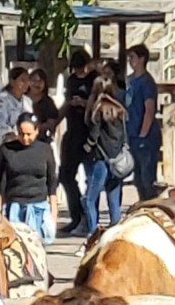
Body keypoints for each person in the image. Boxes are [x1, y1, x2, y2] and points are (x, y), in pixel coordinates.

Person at [0, 112, 57, 244]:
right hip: (14, 207)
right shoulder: (5, 150)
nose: (25, 138)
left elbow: (52, 181)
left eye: (29, 134)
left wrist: (53, 211)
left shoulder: (45, 150)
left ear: (36, 131)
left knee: (36, 249)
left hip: (38, 207)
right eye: (21, 134)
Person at [78, 76, 127, 254]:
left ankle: (92, 236)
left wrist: (86, 146)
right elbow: (123, 136)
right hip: (117, 161)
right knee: (114, 201)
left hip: (101, 160)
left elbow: (94, 135)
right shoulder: (119, 109)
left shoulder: (99, 109)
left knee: (90, 199)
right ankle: (116, 237)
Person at [56, 50, 99, 234]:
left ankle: (91, 219)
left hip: (88, 131)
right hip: (72, 131)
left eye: (82, 69)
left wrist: (84, 103)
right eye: (77, 69)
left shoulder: (95, 79)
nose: (80, 72)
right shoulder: (71, 79)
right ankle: (77, 215)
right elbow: (66, 101)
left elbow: (99, 102)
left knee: (92, 178)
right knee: (65, 175)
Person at [125, 43, 162, 201]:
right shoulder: (130, 81)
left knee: (147, 179)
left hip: (145, 136)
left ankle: (152, 206)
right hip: (132, 133)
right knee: (138, 179)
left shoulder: (147, 82)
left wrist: (143, 134)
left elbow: (149, 109)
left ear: (142, 59)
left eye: (132, 57)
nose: (130, 61)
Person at [0, 67, 34, 143]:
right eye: (22, 80)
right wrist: (14, 136)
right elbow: (0, 123)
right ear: (12, 82)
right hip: (7, 141)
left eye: (28, 80)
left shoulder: (28, 101)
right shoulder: (2, 99)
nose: (26, 83)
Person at [27, 68, 58, 143]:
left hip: (41, 141)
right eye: (34, 80)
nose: (37, 84)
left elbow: (51, 123)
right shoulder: (21, 98)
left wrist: (37, 127)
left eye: (40, 81)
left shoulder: (48, 102)